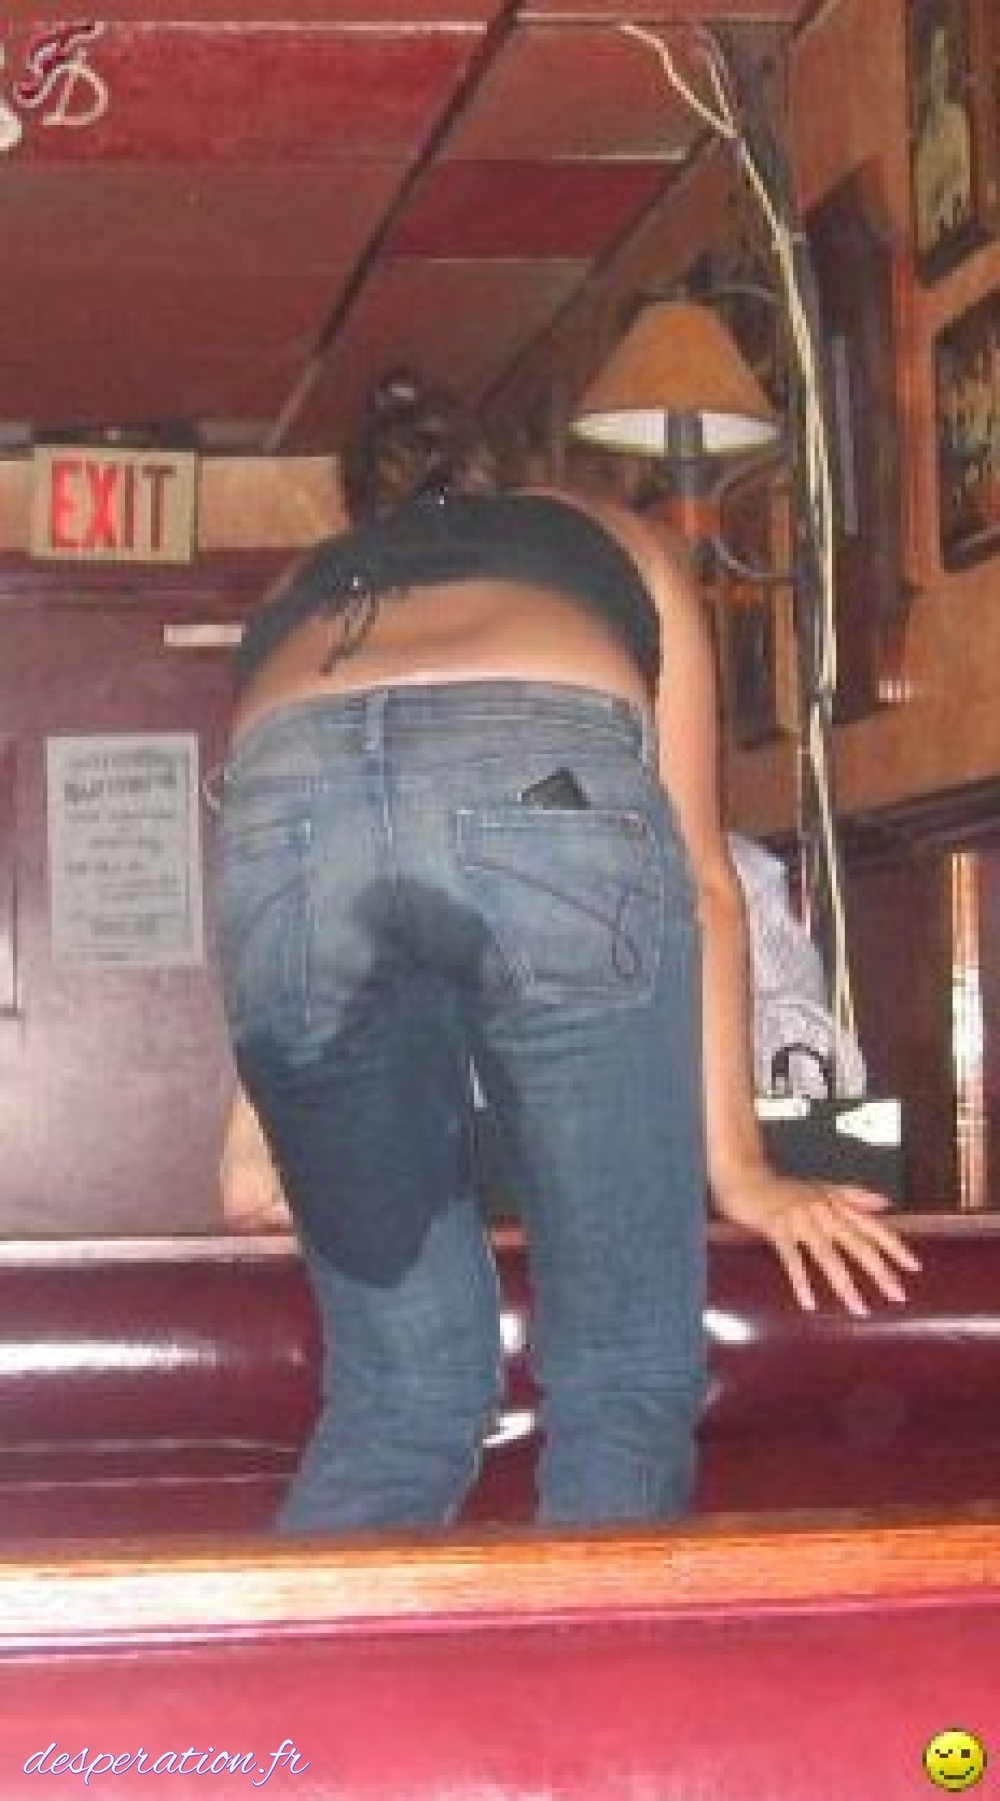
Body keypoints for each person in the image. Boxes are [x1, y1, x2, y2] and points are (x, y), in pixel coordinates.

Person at [216, 368, 918, 1532]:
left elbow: (291, 863)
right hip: (535, 777)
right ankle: (596, 1658)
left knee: (397, 1396)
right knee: (622, 1372)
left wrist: (248, 1132)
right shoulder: (616, 537)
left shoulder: (302, 586)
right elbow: (705, 881)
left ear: (367, 510)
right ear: (509, 477)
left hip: (287, 818)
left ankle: (294, 1664)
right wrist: (740, 1169)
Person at [913, 12, 972, 260]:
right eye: (933, 58)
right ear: (923, 70)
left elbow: (963, 195)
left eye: (944, 55)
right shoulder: (918, 147)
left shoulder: (958, 121)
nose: (940, 67)